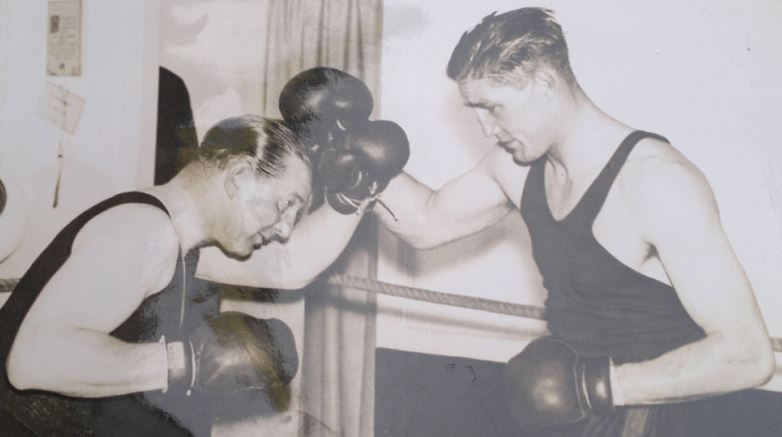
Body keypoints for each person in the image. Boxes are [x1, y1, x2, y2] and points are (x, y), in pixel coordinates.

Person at [365, 7, 775, 437]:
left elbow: (748, 355)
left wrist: (597, 386)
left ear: (544, 84)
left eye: (492, 108)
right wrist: (356, 158)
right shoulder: (517, 167)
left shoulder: (656, 181)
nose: (486, 129)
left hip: (657, 417)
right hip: (570, 415)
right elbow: (427, 222)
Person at [0, 116, 312, 436]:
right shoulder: (146, 231)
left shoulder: (181, 245)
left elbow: (297, 265)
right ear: (240, 177)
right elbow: (32, 361)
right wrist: (185, 362)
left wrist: (345, 199)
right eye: (286, 205)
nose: (285, 229)